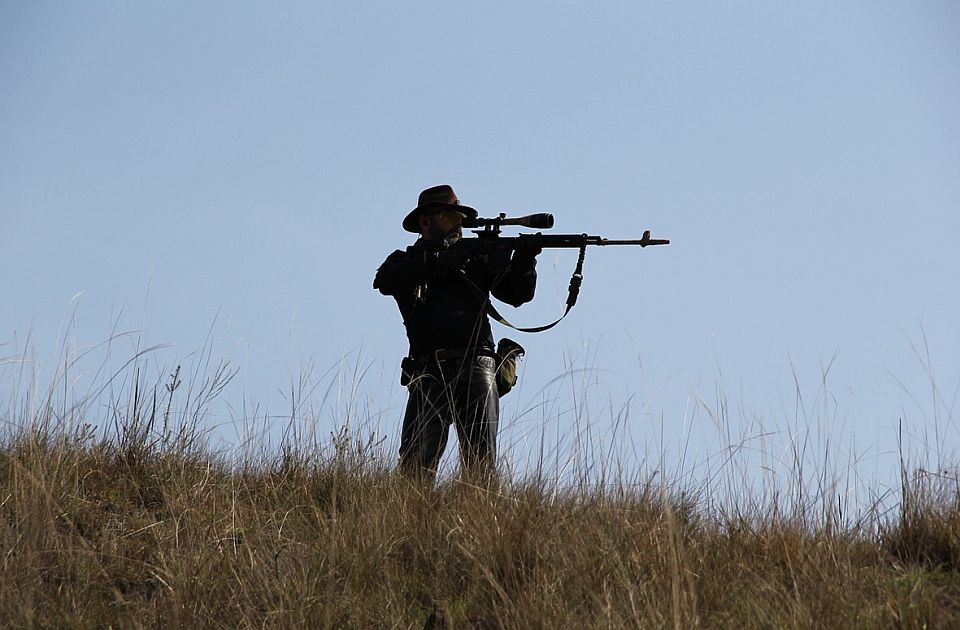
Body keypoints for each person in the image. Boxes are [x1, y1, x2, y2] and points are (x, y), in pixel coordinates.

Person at [374, 185, 541, 480]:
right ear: (426, 222)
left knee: (481, 463)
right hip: (428, 369)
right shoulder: (407, 261)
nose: (459, 223)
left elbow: (516, 294)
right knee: (415, 465)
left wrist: (526, 262)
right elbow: (385, 280)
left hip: (477, 364)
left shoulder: (474, 259)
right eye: (450, 215)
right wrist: (438, 263)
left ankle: (481, 522)